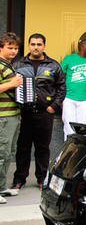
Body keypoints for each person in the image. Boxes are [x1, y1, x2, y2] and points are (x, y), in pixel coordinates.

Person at [11, 34, 66, 191]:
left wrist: (53, 107)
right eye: (33, 44)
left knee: (43, 148)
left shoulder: (53, 65)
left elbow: (61, 87)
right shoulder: (18, 64)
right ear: (28, 45)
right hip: (24, 114)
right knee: (23, 148)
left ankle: (42, 178)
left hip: (44, 113)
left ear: (44, 46)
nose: (36, 47)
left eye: (39, 44)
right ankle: (19, 179)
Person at [0, 33, 23, 203]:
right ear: (1, 47)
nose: (13, 51)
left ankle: (1, 187)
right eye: (9, 47)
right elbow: (10, 86)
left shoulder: (8, 65)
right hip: (3, 117)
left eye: (15, 48)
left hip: (13, 115)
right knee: (1, 153)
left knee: (9, 153)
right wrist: (11, 84)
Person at [61, 39, 86, 140]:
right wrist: (61, 94)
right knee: (68, 126)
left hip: (85, 99)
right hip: (69, 98)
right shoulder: (69, 59)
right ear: (82, 48)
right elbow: (60, 76)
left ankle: (79, 149)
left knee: (82, 127)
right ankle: (68, 150)